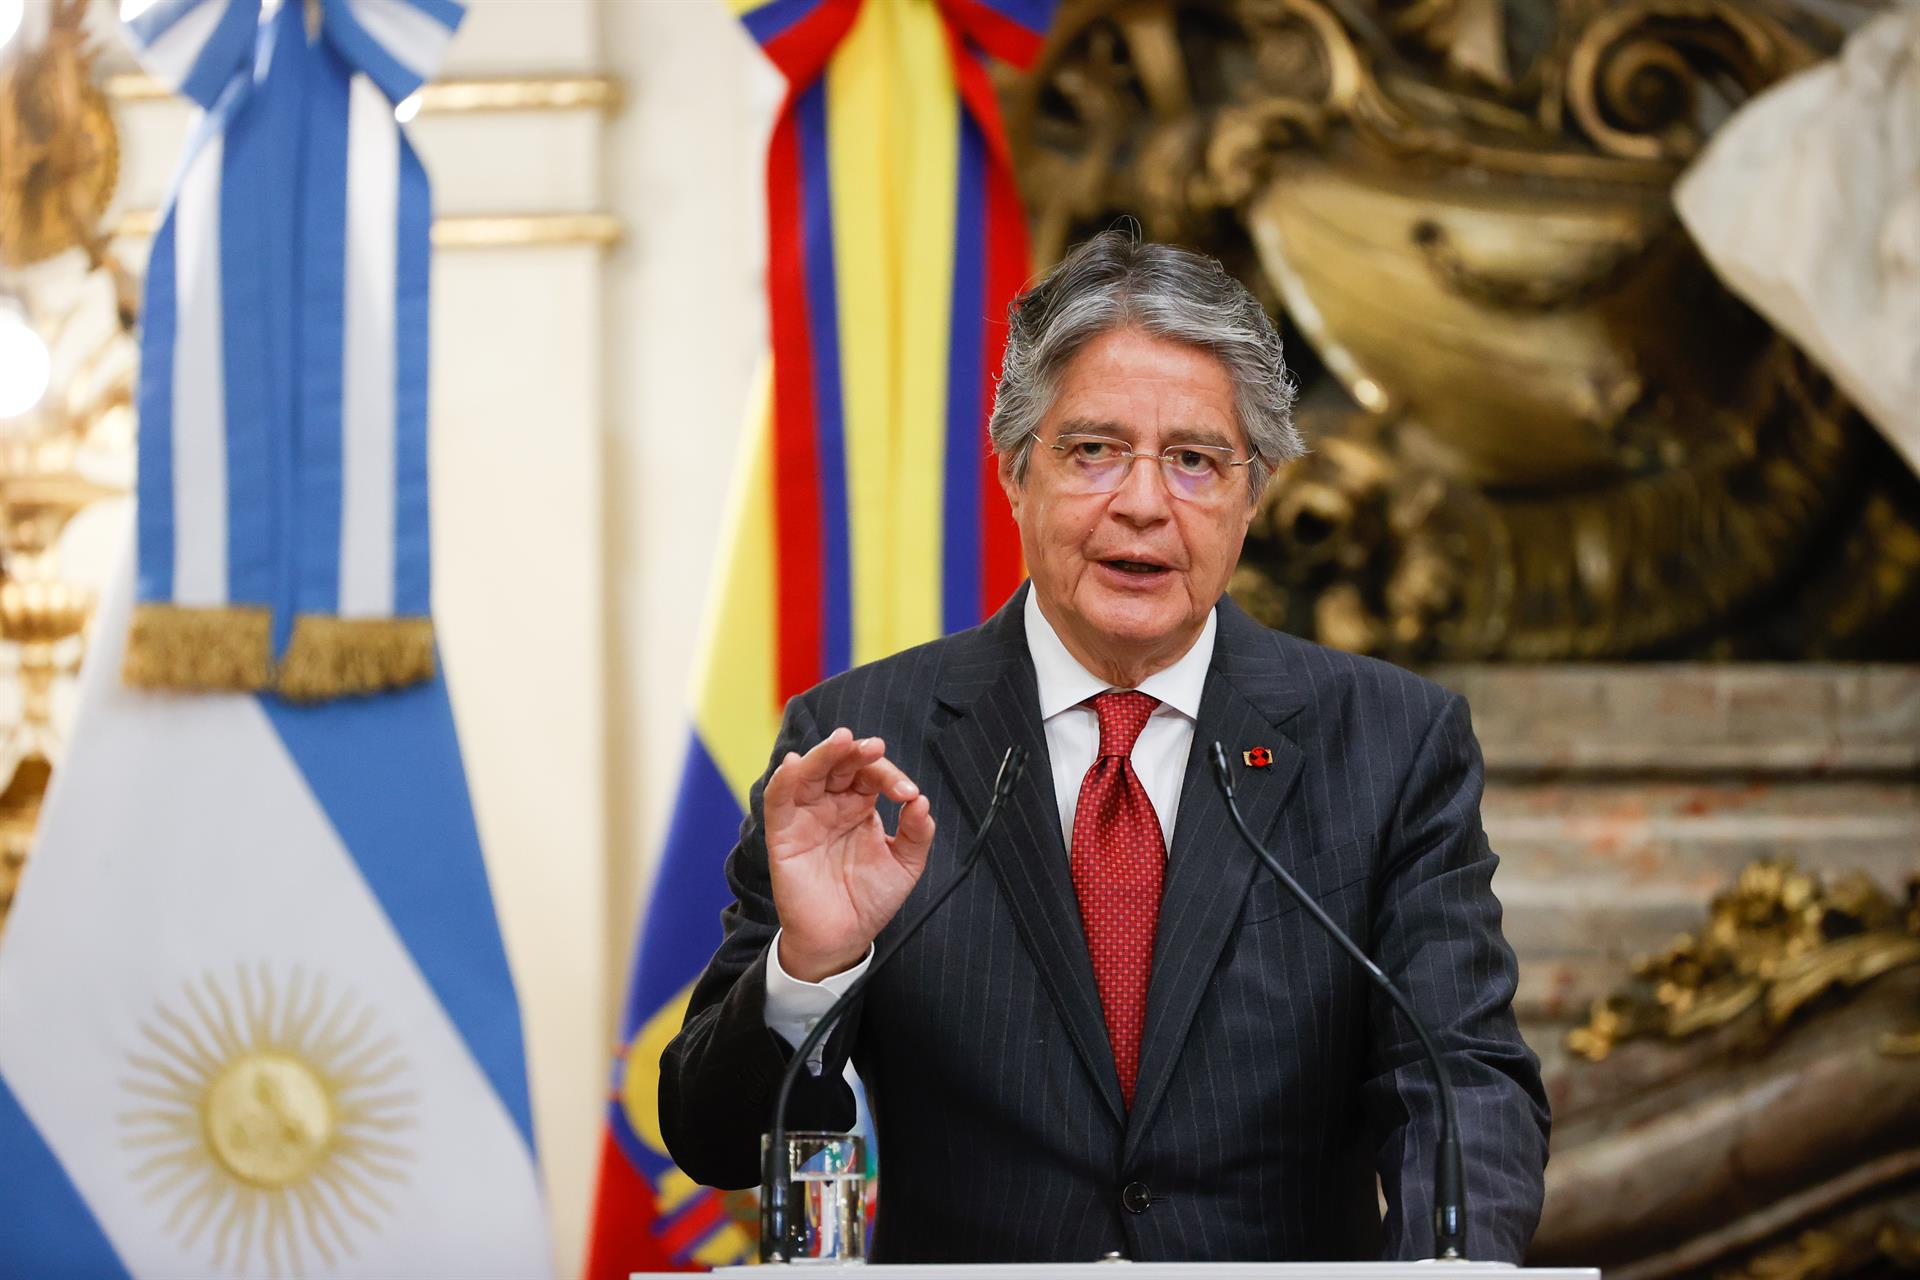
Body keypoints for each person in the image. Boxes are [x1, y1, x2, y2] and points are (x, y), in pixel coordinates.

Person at [659, 230, 1549, 1262]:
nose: (1143, 501)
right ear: (1012, 473)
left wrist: (1459, 1265)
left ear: (1253, 495)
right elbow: (715, 1138)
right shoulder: (861, 744)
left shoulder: (1390, 742)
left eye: (1196, 459)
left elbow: (1464, 1082)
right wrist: (814, 964)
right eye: (1093, 449)